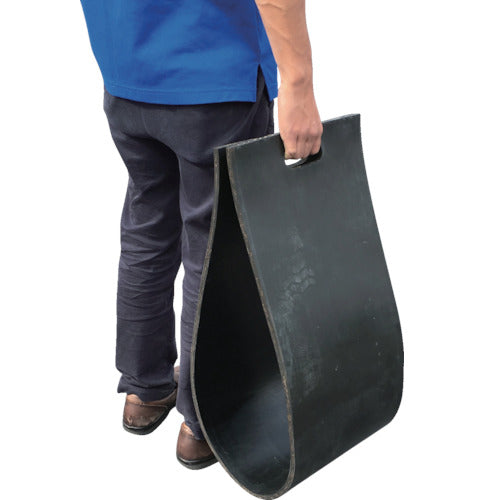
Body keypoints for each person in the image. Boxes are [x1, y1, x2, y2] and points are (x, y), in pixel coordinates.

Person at [79, 0, 323, 469]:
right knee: (214, 248)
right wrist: (299, 84)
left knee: (147, 228)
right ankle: (204, 418)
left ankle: (144, 390)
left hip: (126, 68)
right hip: (214, 72)